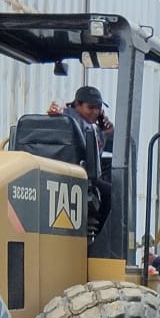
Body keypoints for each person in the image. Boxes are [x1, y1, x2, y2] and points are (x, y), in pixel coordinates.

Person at [47, 85, 114, 230]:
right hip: (75, 172)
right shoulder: (69, 120)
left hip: (80, 170)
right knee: (111, 193)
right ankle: (100, 234)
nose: (95, 112)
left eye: (98, 108)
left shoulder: (91, 125)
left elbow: (115, 147)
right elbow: (85, 149)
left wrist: (107, 131)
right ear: (77, 104)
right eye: (91, 107)